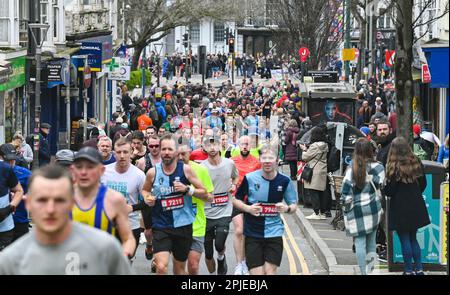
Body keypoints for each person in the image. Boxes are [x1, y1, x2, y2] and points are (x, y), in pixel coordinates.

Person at [0, 165, 132, 275]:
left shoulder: (105, 248)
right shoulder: (11, 260)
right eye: (42, 200)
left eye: (59, 200)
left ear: (72, 202)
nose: (50, 209)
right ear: (28, 203)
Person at [141, 134, 208, 275]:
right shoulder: (153, 172)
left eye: (170, 149)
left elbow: (204, 193)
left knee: (179, 270)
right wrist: (147, 197)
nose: (166, 152)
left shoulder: (186, 170)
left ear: (176, 151)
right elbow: (145, 190)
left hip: (183, 226)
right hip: (161, 226)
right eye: (163, 149)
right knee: (161, 266)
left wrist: (188, 189)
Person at [233, 145, 297, 275]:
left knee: (270, 271)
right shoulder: (250, 178)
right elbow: (235, 200)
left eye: (271, 157)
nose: (267, 161)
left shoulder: (284, 180)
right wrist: (248, 209)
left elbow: (293, 205)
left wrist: (287, 208)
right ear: (260, 160)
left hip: (274, 232)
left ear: (277, 160)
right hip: (252, 233)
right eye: (264, 158)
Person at [70, 147, 136, 258]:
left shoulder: (114, 199)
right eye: (79, 167)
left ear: (101, 171)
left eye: (90, 167)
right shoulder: (61, 197)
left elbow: (128, 239)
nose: (84, 172)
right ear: (72, 170)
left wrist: (123, 257)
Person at [384, 137, 430, 275]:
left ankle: (408, 270)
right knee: (413, 238)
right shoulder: (416, 162)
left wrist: (384, 188)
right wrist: (415, 194)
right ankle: (420, 269)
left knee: (404, 239)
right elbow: (423, 184)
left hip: (400, 207)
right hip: (416, 204)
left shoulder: (393, 166)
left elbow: (390, 191)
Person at [340, 138, 385, 275]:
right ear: (370, 150)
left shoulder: (351, 168)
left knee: (360, 242)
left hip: (356, 210)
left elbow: (345, 192)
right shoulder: (379, 167)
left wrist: (346, 207)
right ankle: (371, 271)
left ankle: (362, 273)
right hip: (373, 209)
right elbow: (382, 185)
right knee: (372, 242)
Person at [101, 137, 146, 259]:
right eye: (119, 152)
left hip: (131, 226)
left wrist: (131, 208)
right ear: (113, 153)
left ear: (131, 153)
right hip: (106, 225)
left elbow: (148, 202)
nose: (122, 156)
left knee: (124, 263)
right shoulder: (104, 172)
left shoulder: (139, 175)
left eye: (125, 152)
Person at [201, 135, 239, 275]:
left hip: (224, 211)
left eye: (215, 144)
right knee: (208, 253)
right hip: (206, 213)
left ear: (220, 146)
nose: (212, 148)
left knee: (219, 245)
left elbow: (236, 176)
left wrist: (234, 186)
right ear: (204, 147)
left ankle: (221, 258)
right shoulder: (201, 167)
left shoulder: (229, 163)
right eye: (208, 145)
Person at [177, 139, 214, 275]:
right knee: (179, 268)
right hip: (176, 225)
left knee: (193, 265)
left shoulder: (200, 170)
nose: (180, 158)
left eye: (184, 154)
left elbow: (210, 197)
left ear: (190, 152)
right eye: (178, 154)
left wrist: (191, 191)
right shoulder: (169, 170)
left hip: (196, 224)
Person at [231, 135, 261, 275]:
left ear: (251, 146)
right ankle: (239, 264)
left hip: (252, 201)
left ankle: (247, 262)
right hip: (237, 200)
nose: (244, 146)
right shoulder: (232, 161)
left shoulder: (256, 162)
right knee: (239, 230)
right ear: (238, 145)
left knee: (249, 234)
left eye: (247, 144)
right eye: (242, 144)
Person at [0, 144, 29, 243]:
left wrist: (22, 197)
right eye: (8, 160)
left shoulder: (25, 173)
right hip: (3, 224)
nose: (11, 163)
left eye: (13, 160)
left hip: (20, 221)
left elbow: (39, 195)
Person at [300, 127, 329, 220]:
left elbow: (305, 157)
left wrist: (304, 149)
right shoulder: (325, 145)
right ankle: (322, 213)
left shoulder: (314, 146)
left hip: (314, 170)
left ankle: (316, 213)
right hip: (323, 169)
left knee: (313, 191)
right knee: (321, 192)